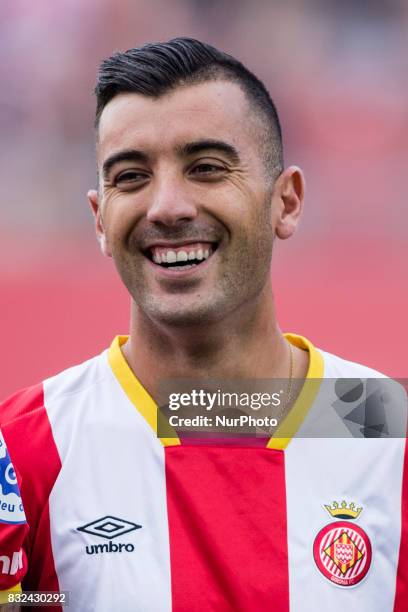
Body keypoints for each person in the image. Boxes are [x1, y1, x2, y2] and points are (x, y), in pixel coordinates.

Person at [0, 38, 406, 612]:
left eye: (207, 168)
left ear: (285, 202)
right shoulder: (21, 451)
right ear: (98, 219)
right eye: (132, 176)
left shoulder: (386, 428)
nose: (167, 206)